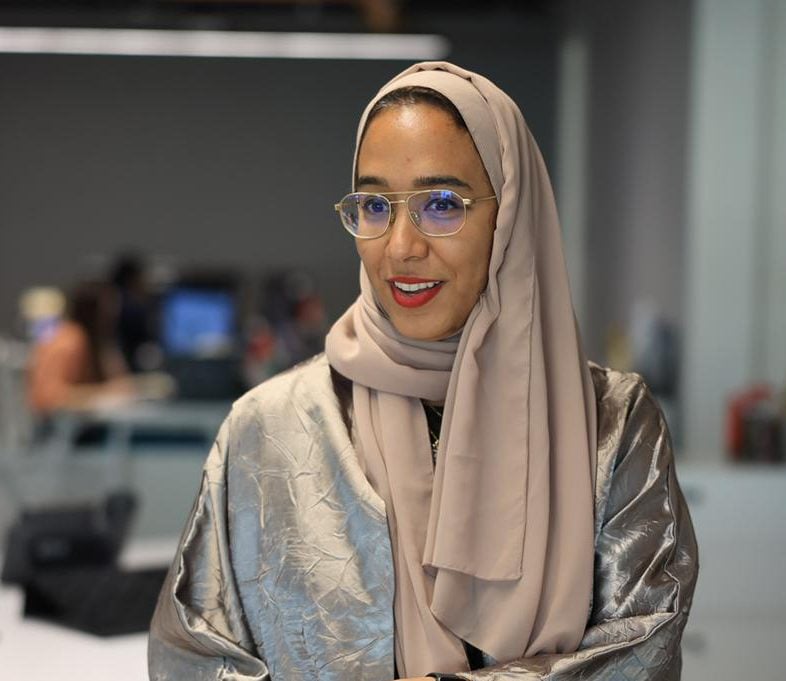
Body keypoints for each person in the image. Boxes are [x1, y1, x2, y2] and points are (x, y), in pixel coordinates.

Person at [148, 62, 697, 681]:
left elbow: (642, 651)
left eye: (441, 204)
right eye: (374, 205)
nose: (401, 247)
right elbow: (188, 655)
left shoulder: (612, 424)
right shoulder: (268, 428)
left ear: (510, 215)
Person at [28, 279, 133, 414]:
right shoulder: (70, 340)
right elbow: (47, 397)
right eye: (108, 311)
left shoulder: (94, 340)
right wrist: (100, 394)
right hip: (59, 422)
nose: (113, 318)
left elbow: (121, 385)